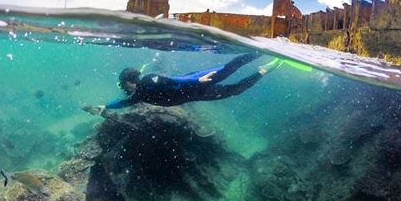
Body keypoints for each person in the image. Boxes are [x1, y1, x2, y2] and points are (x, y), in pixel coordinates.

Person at [83, 53, 281, 114]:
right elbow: (122, 103)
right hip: (196, 93)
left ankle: (262, 51)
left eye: (123, 85)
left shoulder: (148, 80)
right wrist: (104, 106)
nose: (123, 89)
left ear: (128, 81)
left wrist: (197, 80)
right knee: (234, 91)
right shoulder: (138, 95)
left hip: (195, 82)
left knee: (229, 68)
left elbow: (175, 81)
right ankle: (264, 70)